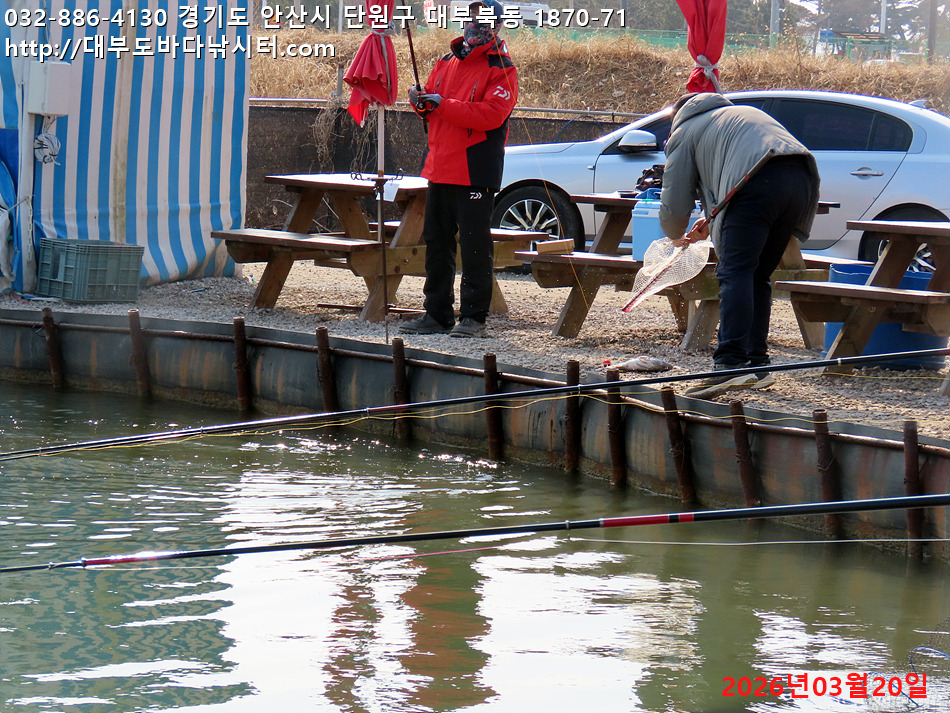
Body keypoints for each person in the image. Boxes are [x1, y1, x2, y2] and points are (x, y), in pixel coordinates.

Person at [658, 92, 821, 399]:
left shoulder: (685, 130)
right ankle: (757, 365)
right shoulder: (734, 116)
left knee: (735, 273)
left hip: (756, 182)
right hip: (800, 179)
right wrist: (711, 219)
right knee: (756, 275)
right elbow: (732, 177)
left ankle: (729, 366)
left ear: (677, 116)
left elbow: (675, 203)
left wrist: (674, 236)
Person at [399, 0, 518, 338]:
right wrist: (419, 100)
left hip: (475, 168)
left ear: (497, 26)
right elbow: (431, 105)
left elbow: (491, 115)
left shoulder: (502, 68)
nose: (475, 25)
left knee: (475, 244)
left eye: (484, 20)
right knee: (437, 243)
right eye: (472, 19)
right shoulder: (445, 61)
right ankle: (436, 314)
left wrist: (441, 104)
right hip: (440, 165)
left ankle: (474, 318)